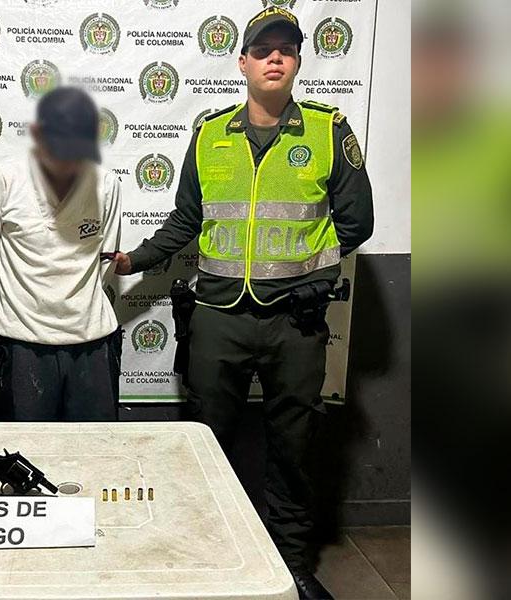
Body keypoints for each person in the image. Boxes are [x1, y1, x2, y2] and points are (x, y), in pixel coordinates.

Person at [113, 7, 373, 599]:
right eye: (262, 49)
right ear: (243, 63)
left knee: (293, 449)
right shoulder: (210, 134)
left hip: (294, 321)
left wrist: (310, 270)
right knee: (206, 441)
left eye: (286, 49)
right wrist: (135, 260)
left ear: (298, 61)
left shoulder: (328, 131)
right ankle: (207, 558)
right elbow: (186, 219)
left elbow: (357, 222)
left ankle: (291, 567)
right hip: (218, 318)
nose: (274, 57)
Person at [0, 86, 122, 421]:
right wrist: (13, 310)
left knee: (97, 445)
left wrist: (78, 301)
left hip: (91, 339)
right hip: (20, 339)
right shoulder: (2, 179)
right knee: (23, 446)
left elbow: (105, 260)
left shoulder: (107, 184)